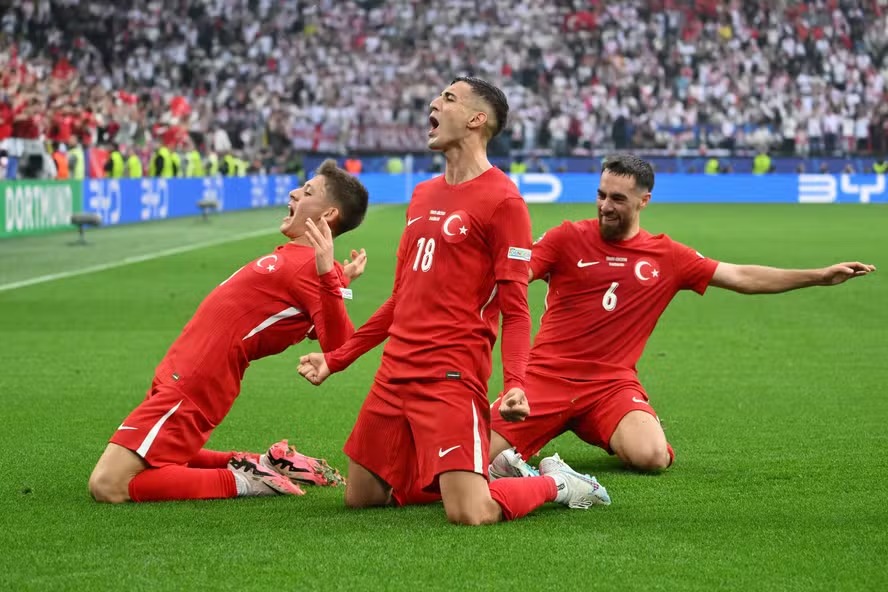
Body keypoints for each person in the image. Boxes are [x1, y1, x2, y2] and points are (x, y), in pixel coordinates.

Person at [297, 77, 610, 526]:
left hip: (451, 372)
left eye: (448, 98)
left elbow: (516, 307)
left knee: (470, 513)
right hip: (395, 371)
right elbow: (401, 299)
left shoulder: (504, 201)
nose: (433, 103)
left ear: (476, 119)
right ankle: (481, 469)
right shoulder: (423, 194)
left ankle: (559, 483)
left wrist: (516, 382)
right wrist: (337, 359)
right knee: (361, 498)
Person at [487, 153, 876, 476]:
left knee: (651, 457)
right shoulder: (565, 237)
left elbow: (739, 275)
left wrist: (818, 276)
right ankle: (534, 439)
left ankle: (633, 425)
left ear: (644, 201)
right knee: (475, 456)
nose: (605, 206)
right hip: (544, 378)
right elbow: (513, 276)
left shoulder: (667, 256)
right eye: (602, 195)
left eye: (618, 199)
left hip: (610, 386)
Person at [88, 159, 371, 503]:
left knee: (108, 484)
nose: (294, 191)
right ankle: (258, 464)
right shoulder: (303, 265)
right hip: (182, 371)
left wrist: (332, 278)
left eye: (308, 191)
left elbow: (340, 346)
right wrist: (340, 281)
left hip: (196, 380)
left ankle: (247, 481)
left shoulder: (312, 269)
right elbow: (310, 317)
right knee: (160, 456)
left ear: (327, 215)